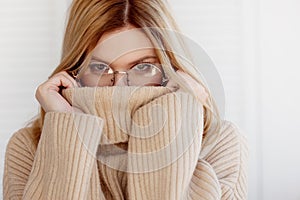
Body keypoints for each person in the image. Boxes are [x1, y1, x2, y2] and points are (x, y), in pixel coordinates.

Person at [3, 0, 248, 199]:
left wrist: (177, 114)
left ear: (169, 69)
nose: (119, 87)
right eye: (99, 67)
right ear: (74, 71)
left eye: (142, 67)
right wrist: (69, 128)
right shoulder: (27, 148)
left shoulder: (220, 144)